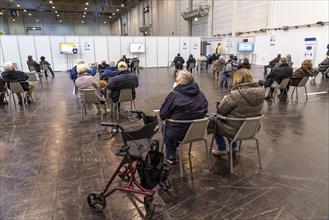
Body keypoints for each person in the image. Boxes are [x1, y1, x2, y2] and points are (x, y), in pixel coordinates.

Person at [212, 68, 265, 156]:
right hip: (251, 128)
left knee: (213, 119)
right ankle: (233, 147)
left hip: (235, 129)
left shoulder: (235, 94)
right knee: (234, 119)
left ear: (237, 79)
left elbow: (221, 111)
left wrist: (222, 101)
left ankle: (221, 148)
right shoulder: (261, 93)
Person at [160, 70, 208, 164]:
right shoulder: (200, 93)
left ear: (181, 83)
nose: (175, 82)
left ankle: (171, 155)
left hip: (178, 132)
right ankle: (176, 145)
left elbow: (163, 115)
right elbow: (205, 109)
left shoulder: (174, 95)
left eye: (176, 80)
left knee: (164, 126)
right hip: (197, 132)